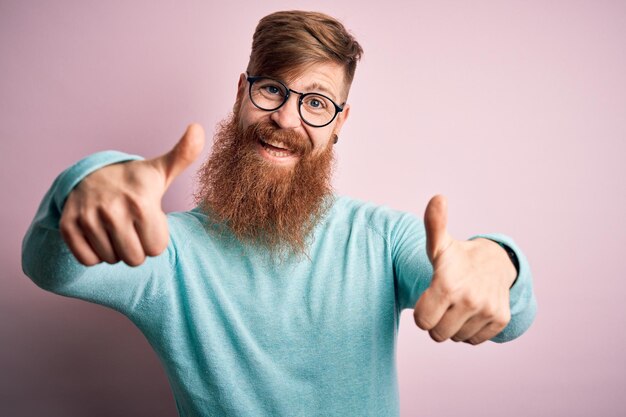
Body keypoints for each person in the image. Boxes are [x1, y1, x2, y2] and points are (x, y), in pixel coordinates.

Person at [22, 10, 537, 417]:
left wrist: (496, 263)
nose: (286, 119)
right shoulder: (168, 252)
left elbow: (509, 316)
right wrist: (86, 181)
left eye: (316, 103)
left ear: (340, 123)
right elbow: (52, 267)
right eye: (272, 89)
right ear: (241, 91)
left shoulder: (382, 238)